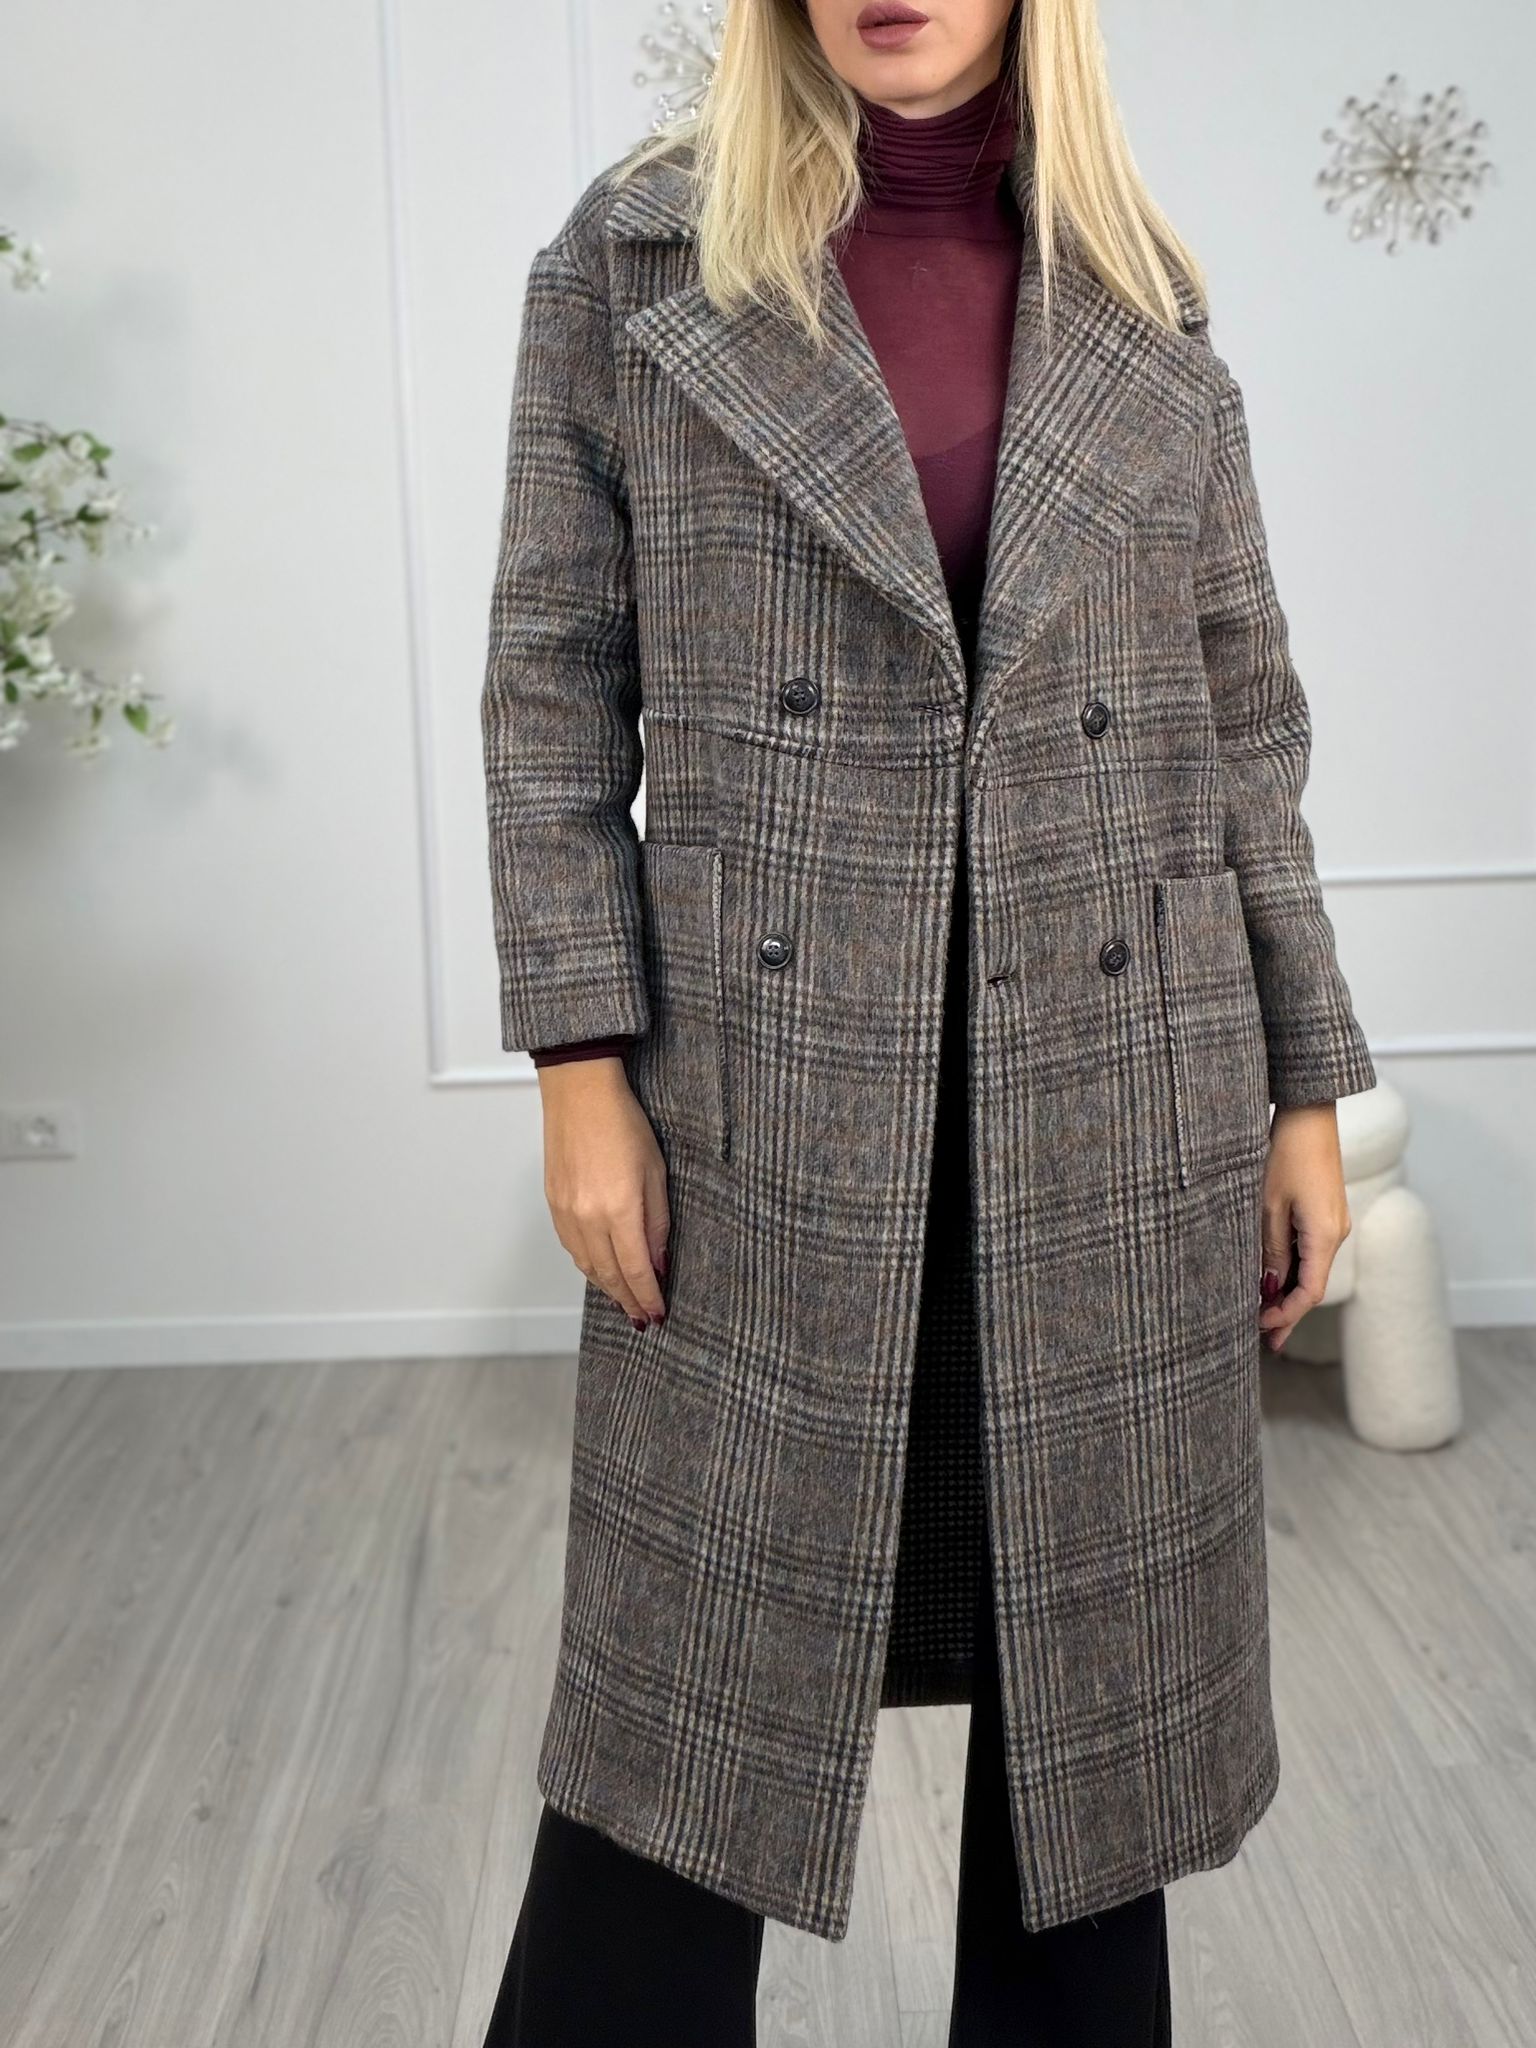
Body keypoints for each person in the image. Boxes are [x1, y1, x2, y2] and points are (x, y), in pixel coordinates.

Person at [477, 2, 1376, 2041]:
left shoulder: (1138, 286)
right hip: (775, 1111)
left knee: (1090, 1766)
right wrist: (580, 1070)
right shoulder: (638, 256)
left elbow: (1243, 718)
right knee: (680, 1731)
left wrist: (1307, 1086)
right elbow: (550, 687)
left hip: (1110, 1102)